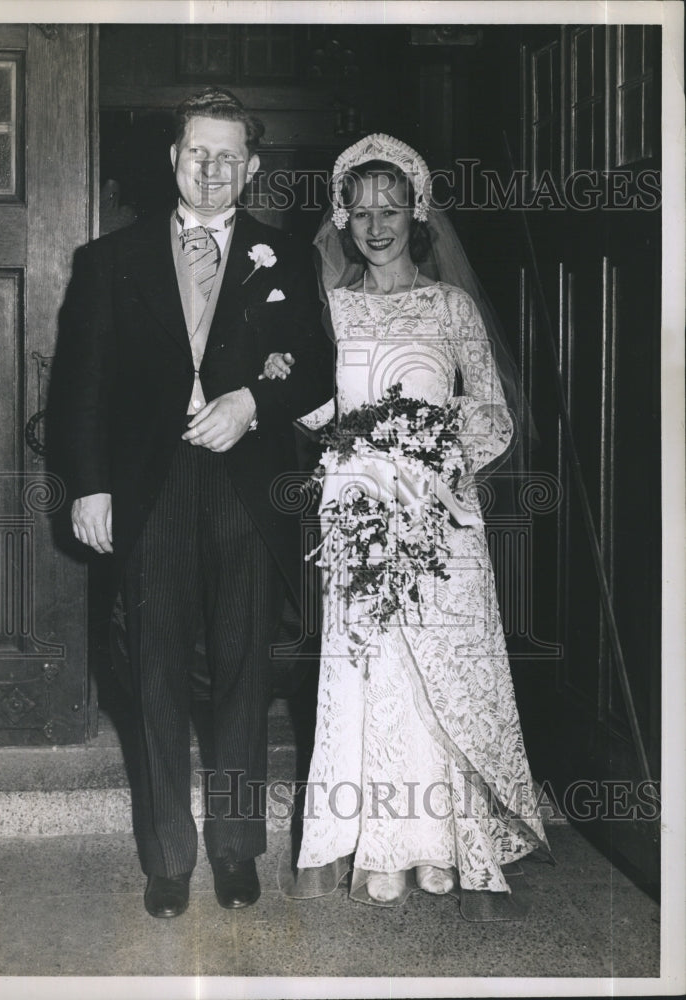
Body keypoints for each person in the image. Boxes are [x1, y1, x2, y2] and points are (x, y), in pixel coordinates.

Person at [48, 88, 333, 919]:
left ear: (251, 167)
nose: (211, 170)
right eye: (195, 153)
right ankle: (168, 856)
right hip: (150, 488)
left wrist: (252, 404)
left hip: (246, 489)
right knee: (157, 671)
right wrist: (89, 485)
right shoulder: (109, 260)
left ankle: (238, 850)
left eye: (228, 156)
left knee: (246, 673)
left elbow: (314, 371)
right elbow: (80, 389)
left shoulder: (287, 257)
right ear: (174, 160)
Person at [263, 134, 550, 917]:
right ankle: (381, 843)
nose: (377, 224)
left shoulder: (451, 307)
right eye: (363, 211)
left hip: (440, 515)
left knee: (440, 677)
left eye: (392, 209)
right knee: (373, 673)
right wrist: (294, 385)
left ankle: (442, 844)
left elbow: (490, 409)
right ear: (342, 218)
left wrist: (441, 460)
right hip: (357, 508)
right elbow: (324, 410)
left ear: (417, 215)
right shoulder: (334, 307)